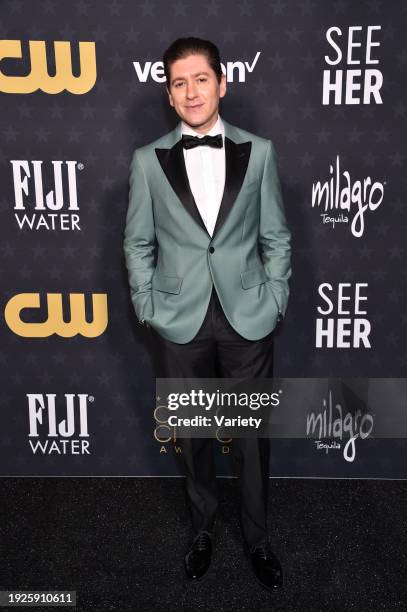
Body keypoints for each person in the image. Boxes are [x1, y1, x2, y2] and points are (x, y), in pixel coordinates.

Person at [123, 37, 291, 592]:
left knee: (249, 435)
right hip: (179, 319)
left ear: (222, 83)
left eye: (200, 79)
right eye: (178, 83)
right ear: (169, 96)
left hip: (248, 315)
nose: (191, 92)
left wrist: (275, 300)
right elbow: (137, 244)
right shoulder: (147, 162)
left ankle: (259, 538)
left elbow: (276, 237)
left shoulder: (260, 152)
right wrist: (148, 306)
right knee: (191, 435)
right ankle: (202, 529)